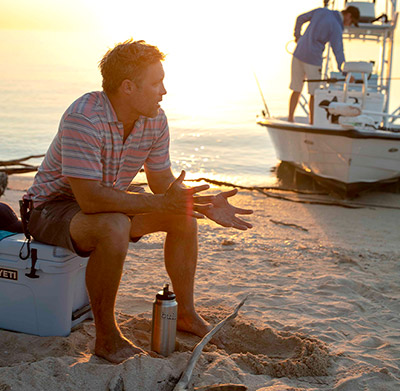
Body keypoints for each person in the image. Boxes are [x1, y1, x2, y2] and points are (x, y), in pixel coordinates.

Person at [24, 39, 253, 364]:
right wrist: (159, 203)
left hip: (106, 203)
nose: (164, 91)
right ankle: (106, 338)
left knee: (182, 218)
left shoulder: (154, 119)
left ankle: (185, 313)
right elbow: (89, 200)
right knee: (113, 225)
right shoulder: (84, 118)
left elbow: (163, 186)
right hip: (51, 208)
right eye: (156, 82)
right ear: (128, 87)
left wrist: (200, 203)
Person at [288, 5, 360, 124]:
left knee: (296, 89)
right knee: (313, 93)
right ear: (348, 15)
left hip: (298, 54)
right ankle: (312, 123)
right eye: (351, 22)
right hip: (313, 60)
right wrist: (346, 73)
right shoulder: (336, 27)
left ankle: (290, 119)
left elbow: (300, 18)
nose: (349, 25)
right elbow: (338, 52)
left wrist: (297, 36)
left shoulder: (321, 11)